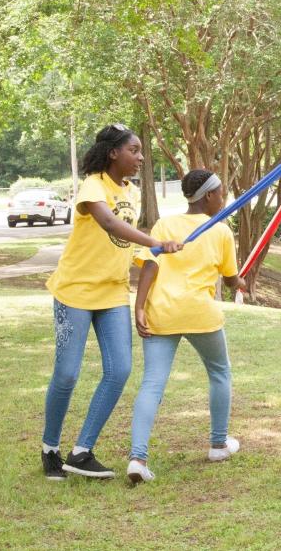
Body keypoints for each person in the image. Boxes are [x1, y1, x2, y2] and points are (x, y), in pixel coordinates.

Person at [42, 124, 181, 480]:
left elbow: (127, 243)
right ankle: (50, 449)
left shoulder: (132, 193)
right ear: (113, 152)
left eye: (140, 151)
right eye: (134, 150)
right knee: (68, 372)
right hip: (76, 290)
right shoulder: (93, 184)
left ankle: (82, 451)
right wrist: (154, 240)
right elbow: (107, 223)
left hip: (113, 292)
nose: (140, 157)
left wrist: (150, 258)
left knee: (119, 370)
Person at [126, 169, 246, 484]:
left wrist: (139, 306)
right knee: (219, 372)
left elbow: (150, 264)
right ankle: (218, 444)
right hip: (199, 315)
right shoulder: (220, 231)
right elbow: (232, 279)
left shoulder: (165, 224)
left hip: (161, 313)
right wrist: (241, 283)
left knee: (152, 384)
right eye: (220, 192)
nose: (224, 198)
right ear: (208, 196)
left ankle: (138, 458)